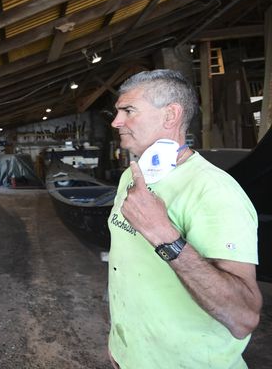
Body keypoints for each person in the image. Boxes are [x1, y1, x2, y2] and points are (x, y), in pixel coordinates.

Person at [107, 69, 262, 369]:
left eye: (128, 111)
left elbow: (244, 317)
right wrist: (120, 343)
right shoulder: (131, 175)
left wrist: (164, 235)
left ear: (170, 115)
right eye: (117, 112)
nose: (116, 122)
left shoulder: (215, 191)